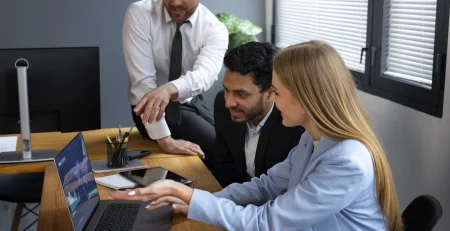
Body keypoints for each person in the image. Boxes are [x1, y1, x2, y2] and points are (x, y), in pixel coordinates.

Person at [110, 41, 404, 231]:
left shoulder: (346, 161)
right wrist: (198, 201)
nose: (272, 99)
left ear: (305, 98)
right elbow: (265, 186)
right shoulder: (313, 140)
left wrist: (190, 195)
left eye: (276, 91)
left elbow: (269, 221)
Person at [123, 0, 228, 163]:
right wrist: (166, 141)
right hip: (151, 109)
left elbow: (206, 73)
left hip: (192, 101)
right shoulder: (140, 13)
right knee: (218, 148)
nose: (175, 2)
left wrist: (170, 88)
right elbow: (142, 83)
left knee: (229, 142)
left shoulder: (214, 28)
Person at [212, 42, 304, 187]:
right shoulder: (221, 104)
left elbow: (286, 190)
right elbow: (223, 165)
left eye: (241, 94)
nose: (228, 103)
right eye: (226, 90)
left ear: (270, 93)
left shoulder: (293, 122)